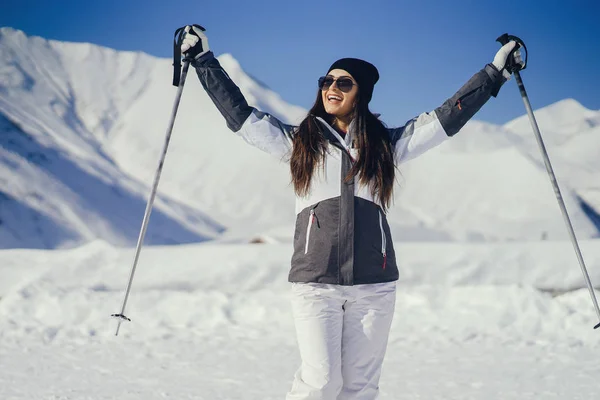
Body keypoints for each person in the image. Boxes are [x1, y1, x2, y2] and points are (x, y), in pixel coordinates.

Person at [181, 25, 519, 400]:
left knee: (359, 389)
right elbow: (241, 117)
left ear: (362, 94)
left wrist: (494, 74)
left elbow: (444, 120)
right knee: (320, 383)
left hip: (374, 287)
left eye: (344, 83)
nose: (331, 88)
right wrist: (203, 60)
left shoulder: (387, 146)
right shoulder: (299, 143)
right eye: (327, 80)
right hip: (315, 284)